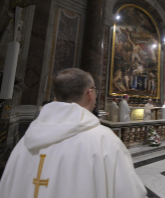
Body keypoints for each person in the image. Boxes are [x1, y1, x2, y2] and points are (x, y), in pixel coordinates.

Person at [0, 68, 146, 198]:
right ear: (90, 93)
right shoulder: (104, 141)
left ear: (56, 96)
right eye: (95, 90)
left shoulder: (24, 143)